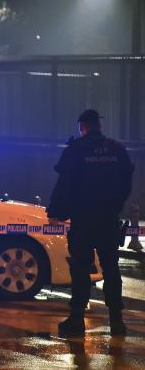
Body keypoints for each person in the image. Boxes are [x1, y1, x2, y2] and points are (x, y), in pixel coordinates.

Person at [47, 109, 133, 338]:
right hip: (108, 219)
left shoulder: (76, 150)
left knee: (80, 269)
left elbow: (64, 184)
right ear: (99, 125)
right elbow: (127, 181)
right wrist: (115, 205)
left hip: (83, 220)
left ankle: (77, 319)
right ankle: (117, 321)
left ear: (82, 127)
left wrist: (56, 212)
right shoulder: (117, 149)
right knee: (111, 269)